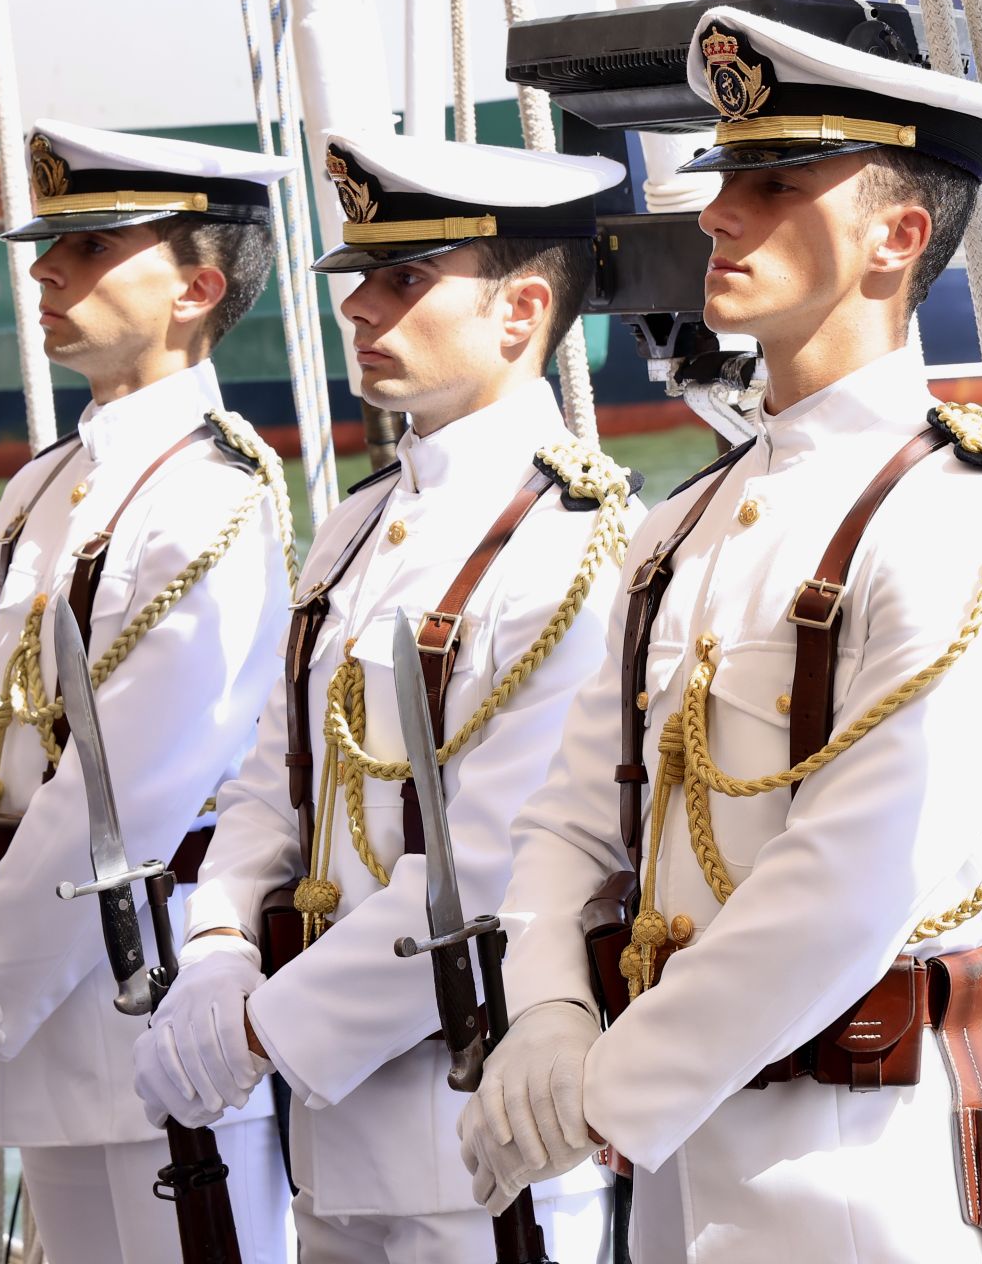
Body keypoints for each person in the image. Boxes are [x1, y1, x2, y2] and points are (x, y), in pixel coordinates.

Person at [461, 7, 982, 1263]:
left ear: (899, 237)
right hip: (687, 1167)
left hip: (867, 1174)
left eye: (775, 180)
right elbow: (569, 816)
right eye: (730, 173)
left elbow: (854, 879)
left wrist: (607, 1086)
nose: (717, 212)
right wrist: (548, 1012)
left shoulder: (962, 512)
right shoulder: (683, 522)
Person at [133, 130, 641, 1262]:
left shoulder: (576, 545)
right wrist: (218, 945)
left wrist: (266, 1023)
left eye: (406, 279)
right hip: (328, 1136)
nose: (359, 307)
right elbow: (276, 779)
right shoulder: (357, 525)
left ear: (519, 313)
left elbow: (500, 861)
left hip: (480, 1141)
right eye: (361, 278)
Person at [0, 120, 298, 1262]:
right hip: (34, 1010)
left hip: (148, 1007)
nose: (44, 272)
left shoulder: (212, 501)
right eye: (50, 246)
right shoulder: (41, 489)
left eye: (88, 247)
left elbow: (120, 799)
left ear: (197, 289)